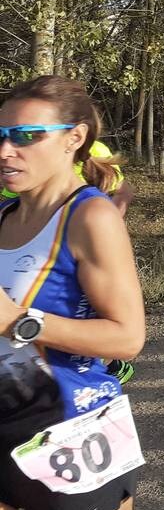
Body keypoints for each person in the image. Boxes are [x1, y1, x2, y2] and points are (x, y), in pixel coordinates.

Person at [0, 76, 146, 510]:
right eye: (2, 136)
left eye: (26, 136)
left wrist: (18, 321)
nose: (6, 150)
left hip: (68, 429)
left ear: (75, 138)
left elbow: (127, 338)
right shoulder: (3, 213)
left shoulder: (91, 216)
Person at [1, 139, 137, 386]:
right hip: (35, 241)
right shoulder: (15, 159)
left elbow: (123, 190)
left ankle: (107, 366)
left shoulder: (95, 149)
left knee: (89, 313)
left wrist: (106, 226)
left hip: (83, 243)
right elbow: (14, 199)